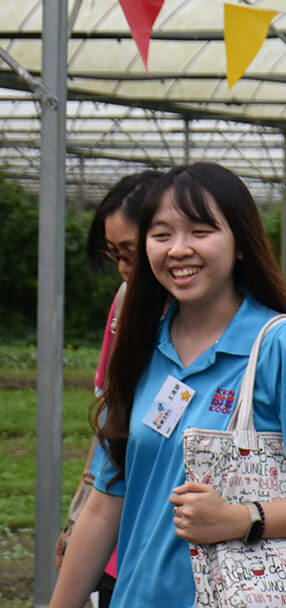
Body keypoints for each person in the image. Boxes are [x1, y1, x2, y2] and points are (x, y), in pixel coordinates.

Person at [50, 162, 286, 608]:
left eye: (200, 232)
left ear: (240, 243)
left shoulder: (282, 346)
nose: (179, 249)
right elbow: (105, 507)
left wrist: (242, 519)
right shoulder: (140, 347)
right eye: (161, 235)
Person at [55, 170, 162, 607]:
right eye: (115, 255)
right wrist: (77, 516)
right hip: (117, 540)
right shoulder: (124, 306)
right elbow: (110, 424)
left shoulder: (238, 333)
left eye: (130, 254)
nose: (123, 269)